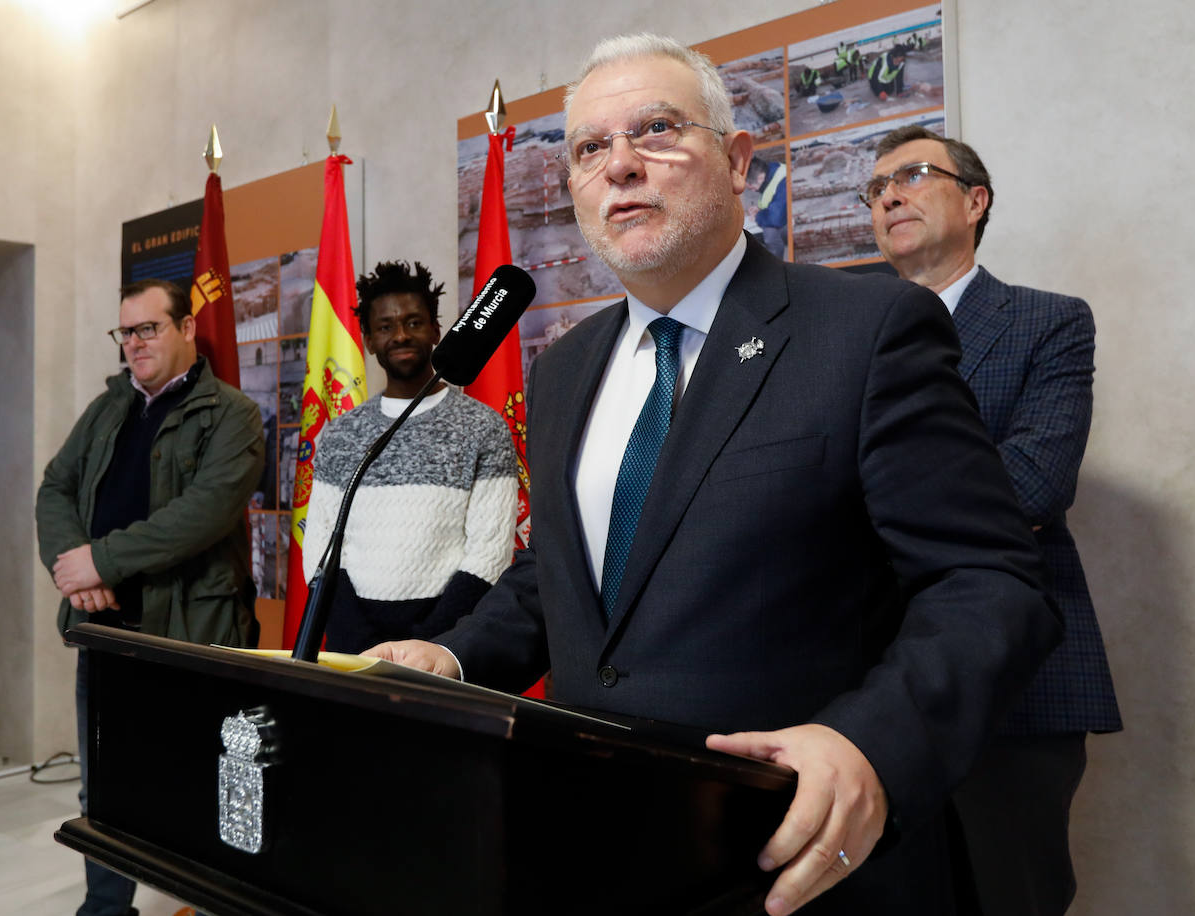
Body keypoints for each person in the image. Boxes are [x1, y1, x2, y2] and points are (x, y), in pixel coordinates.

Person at [367, 34, 1060, 915]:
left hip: (792, 857)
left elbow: (988, 582)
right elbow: (571, 578)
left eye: (656, 130)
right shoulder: (563, 369)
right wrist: (454, 656)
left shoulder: (871, 329)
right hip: (596, 843)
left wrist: (872, 745)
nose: (620, 166)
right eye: (590, 148)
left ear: (736, 162)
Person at [866, 124, 1122, 916]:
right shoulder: (850, 333)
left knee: (1010, 893)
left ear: (974, 202)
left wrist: (863, 523)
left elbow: (1036, 485)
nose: (890, 197)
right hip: (868, 672)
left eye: (911, 175)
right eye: (875, 191)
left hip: (1015, 675)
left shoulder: (1047, 322)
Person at [36, 278, 263, 916]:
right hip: (106, 633)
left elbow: (203, 513)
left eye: (149, 329)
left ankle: (214, 901)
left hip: (194, 634)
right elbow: (55, 488)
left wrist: (99, 559)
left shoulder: (232, 414)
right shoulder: (110, 407)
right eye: (125, 333)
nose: (134, 344)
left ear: (187, 329)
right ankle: (106, 910)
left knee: (205, 780)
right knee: (105, 786)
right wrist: (77, 571)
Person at [302, 260, 516, 653]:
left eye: (414, 322)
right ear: (367, 339)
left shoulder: (483, 427)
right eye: (385, 327)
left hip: (447, 645)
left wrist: (430, 642)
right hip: (353, 640)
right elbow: (320, 545)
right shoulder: (342, 433)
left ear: (436, 330)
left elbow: (491, 552)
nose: (400, 335)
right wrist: (357, 641)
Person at [746, 157, 788, 260]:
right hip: (784, 216)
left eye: (751, 187)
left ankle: (776, 265)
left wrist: (758, 215)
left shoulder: (784, 181)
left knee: (770, 233)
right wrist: (759, 209)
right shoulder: (770, 173)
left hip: (791, 221)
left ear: (760, 177)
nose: (753, 190)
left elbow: (775, 218)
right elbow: (771, 198)